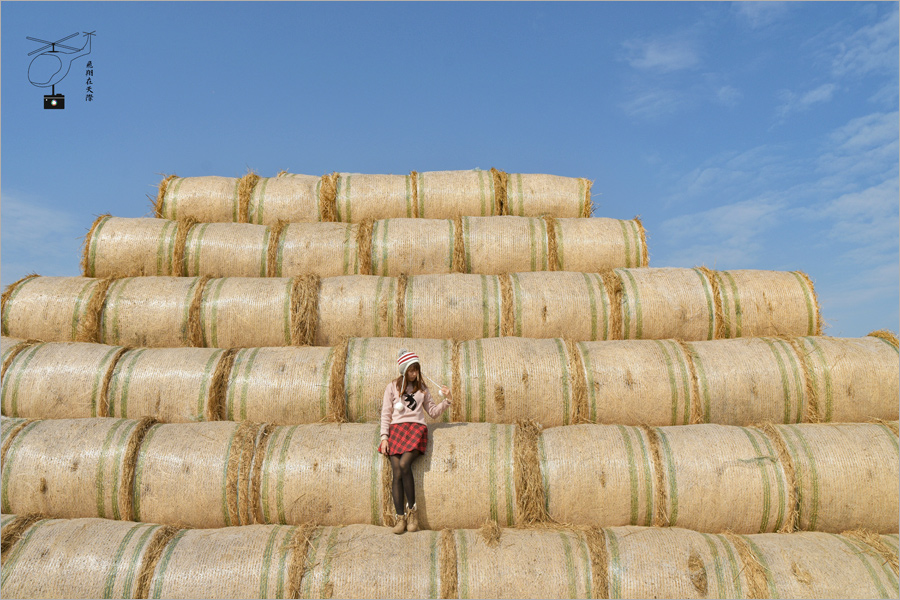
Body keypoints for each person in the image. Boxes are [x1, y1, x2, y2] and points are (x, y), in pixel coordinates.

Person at [378, 349, 452, 534]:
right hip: (396, 430)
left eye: (416, 370)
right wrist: (384, 437)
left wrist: (448, 400)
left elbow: (433, 411)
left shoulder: (423, 389)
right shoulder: (392, 387)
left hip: (416, 429)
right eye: (411, 370)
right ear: (404, 370)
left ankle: (413, 512)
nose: (414, 374)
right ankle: (400, 517)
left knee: (404, 465)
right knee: (397, 472)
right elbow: (386, 413)